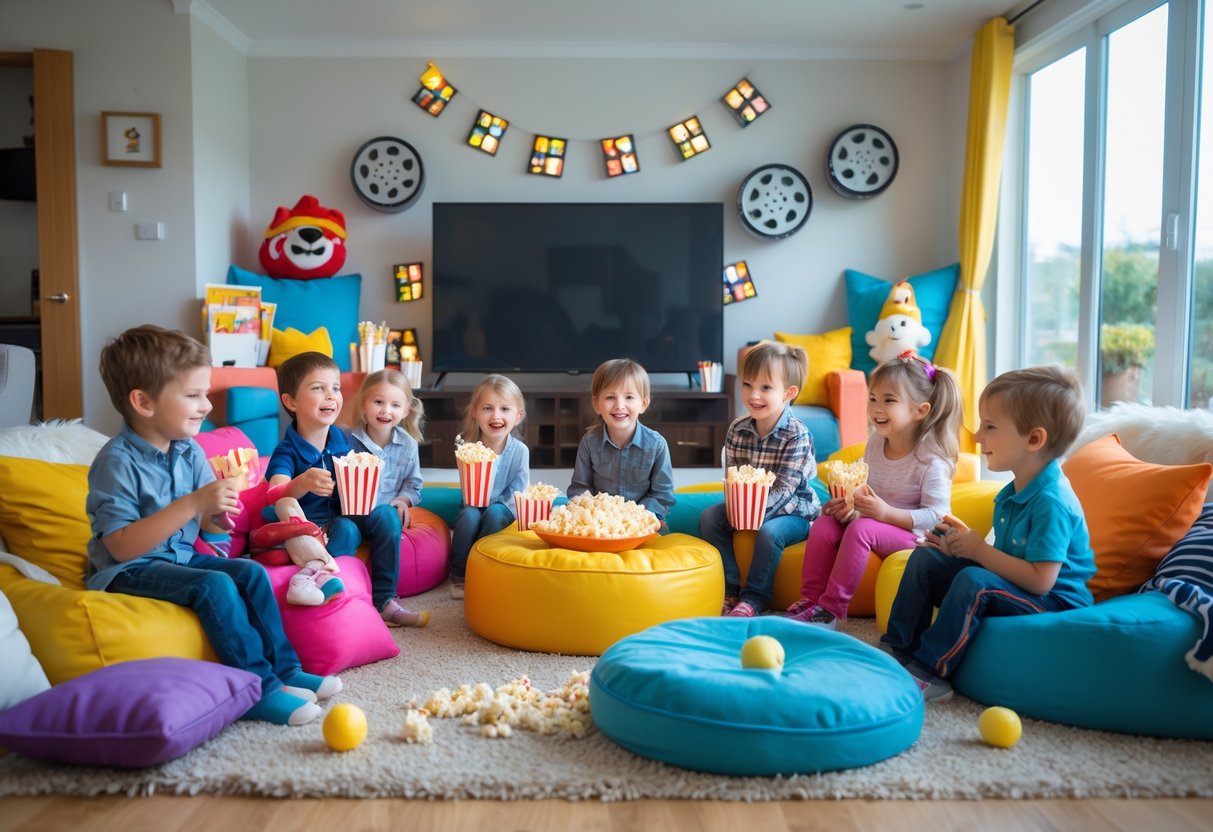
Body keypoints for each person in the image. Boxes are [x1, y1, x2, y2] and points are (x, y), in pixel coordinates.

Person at [86, 325, 339, 726]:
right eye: (193, 395)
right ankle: (259, 688)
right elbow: (119, 546)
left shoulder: (188, 451)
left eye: (205, 393)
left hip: (179, 558)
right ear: (143, 402)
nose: (206, 405)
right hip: (127, 570)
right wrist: (193, 504)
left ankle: (287, 671)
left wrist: (216, 516)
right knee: (215, 585)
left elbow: (208, 525)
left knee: (250, 574)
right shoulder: (116, 462)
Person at [879, 365, 1095, 702]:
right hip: (1018, 587)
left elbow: (1041, 582)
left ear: (1034, 439)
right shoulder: (1012, 491)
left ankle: (930, 672)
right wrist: (960, 548)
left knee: (974, 581)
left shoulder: (1052, 501)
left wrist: (977, 552)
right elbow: (1003, 561)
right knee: (926, 558)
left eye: (990, 427)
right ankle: (899, 649)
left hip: (1053, 604)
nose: (978, 436)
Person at [789, 351, 962, 629]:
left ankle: (831, 611)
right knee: (824, 523)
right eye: (873, 398)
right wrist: (848, 505)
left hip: (916, 539)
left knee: (862, 529)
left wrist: (884, 513)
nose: (876, 408)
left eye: (889, 400)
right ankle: (810, 601)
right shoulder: (875, 443)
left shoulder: (932, 459)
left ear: (921, 410)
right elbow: (867, 491)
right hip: (875, 523)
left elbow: (938, 516)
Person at [265, 351, 427, 628]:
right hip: (311, 529)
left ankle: (385, 600)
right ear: (290, 401)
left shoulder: (344, 438)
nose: (331, 396)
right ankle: (328, 589)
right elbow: (274, 494)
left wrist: (401, 498)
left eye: (336, 388)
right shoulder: (287, 450)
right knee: (348, 531)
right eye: (319, 388)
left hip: (347, 514)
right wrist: (301, 483)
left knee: (386, 515)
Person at [699, 342, 820, 618]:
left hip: (794, 512)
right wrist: (738, 510)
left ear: (789, 393)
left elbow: (786, 489)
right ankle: (729, 587)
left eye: (765, 388)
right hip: (747, 509)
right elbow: (734, 477)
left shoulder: (797, 435)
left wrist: (752, 516)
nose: (753, 395)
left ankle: (755, 597)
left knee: (769, 533)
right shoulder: (737, 430)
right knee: (709, 518)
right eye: (747, 384)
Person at [449, 374, 530, 599]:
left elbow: (519, 490)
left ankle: (483, 567)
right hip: (473, 504)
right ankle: (459, 574)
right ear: (474, 412)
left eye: (505, 409)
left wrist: (495, 503)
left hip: (504, 508)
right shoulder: (466, 447)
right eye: (487, 408)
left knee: (493, 514)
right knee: (469, 516)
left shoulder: (520, 451)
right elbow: (468, 488)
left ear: (518, 415)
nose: (496, 416)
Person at [568, 358, 675, 526]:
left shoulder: (657, 444)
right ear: (596, 404)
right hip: (600, 522)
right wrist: (586, 503)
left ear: (643, 404)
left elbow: (662, 494)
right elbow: (579, 487)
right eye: (610, 397)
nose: (619, 405)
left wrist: (638, 516)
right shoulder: (589, 443)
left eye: (629, 397)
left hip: (642, 521)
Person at [347, 368, 426, 527]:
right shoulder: (347, 441)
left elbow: (412, 484)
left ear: (405, 411)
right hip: (354, 515)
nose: (386, 410)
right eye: (378, 402)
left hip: (388, 517)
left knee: (387, 518)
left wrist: (402, 500)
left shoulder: (408, 444)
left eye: (395, 405)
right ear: (364, 405)